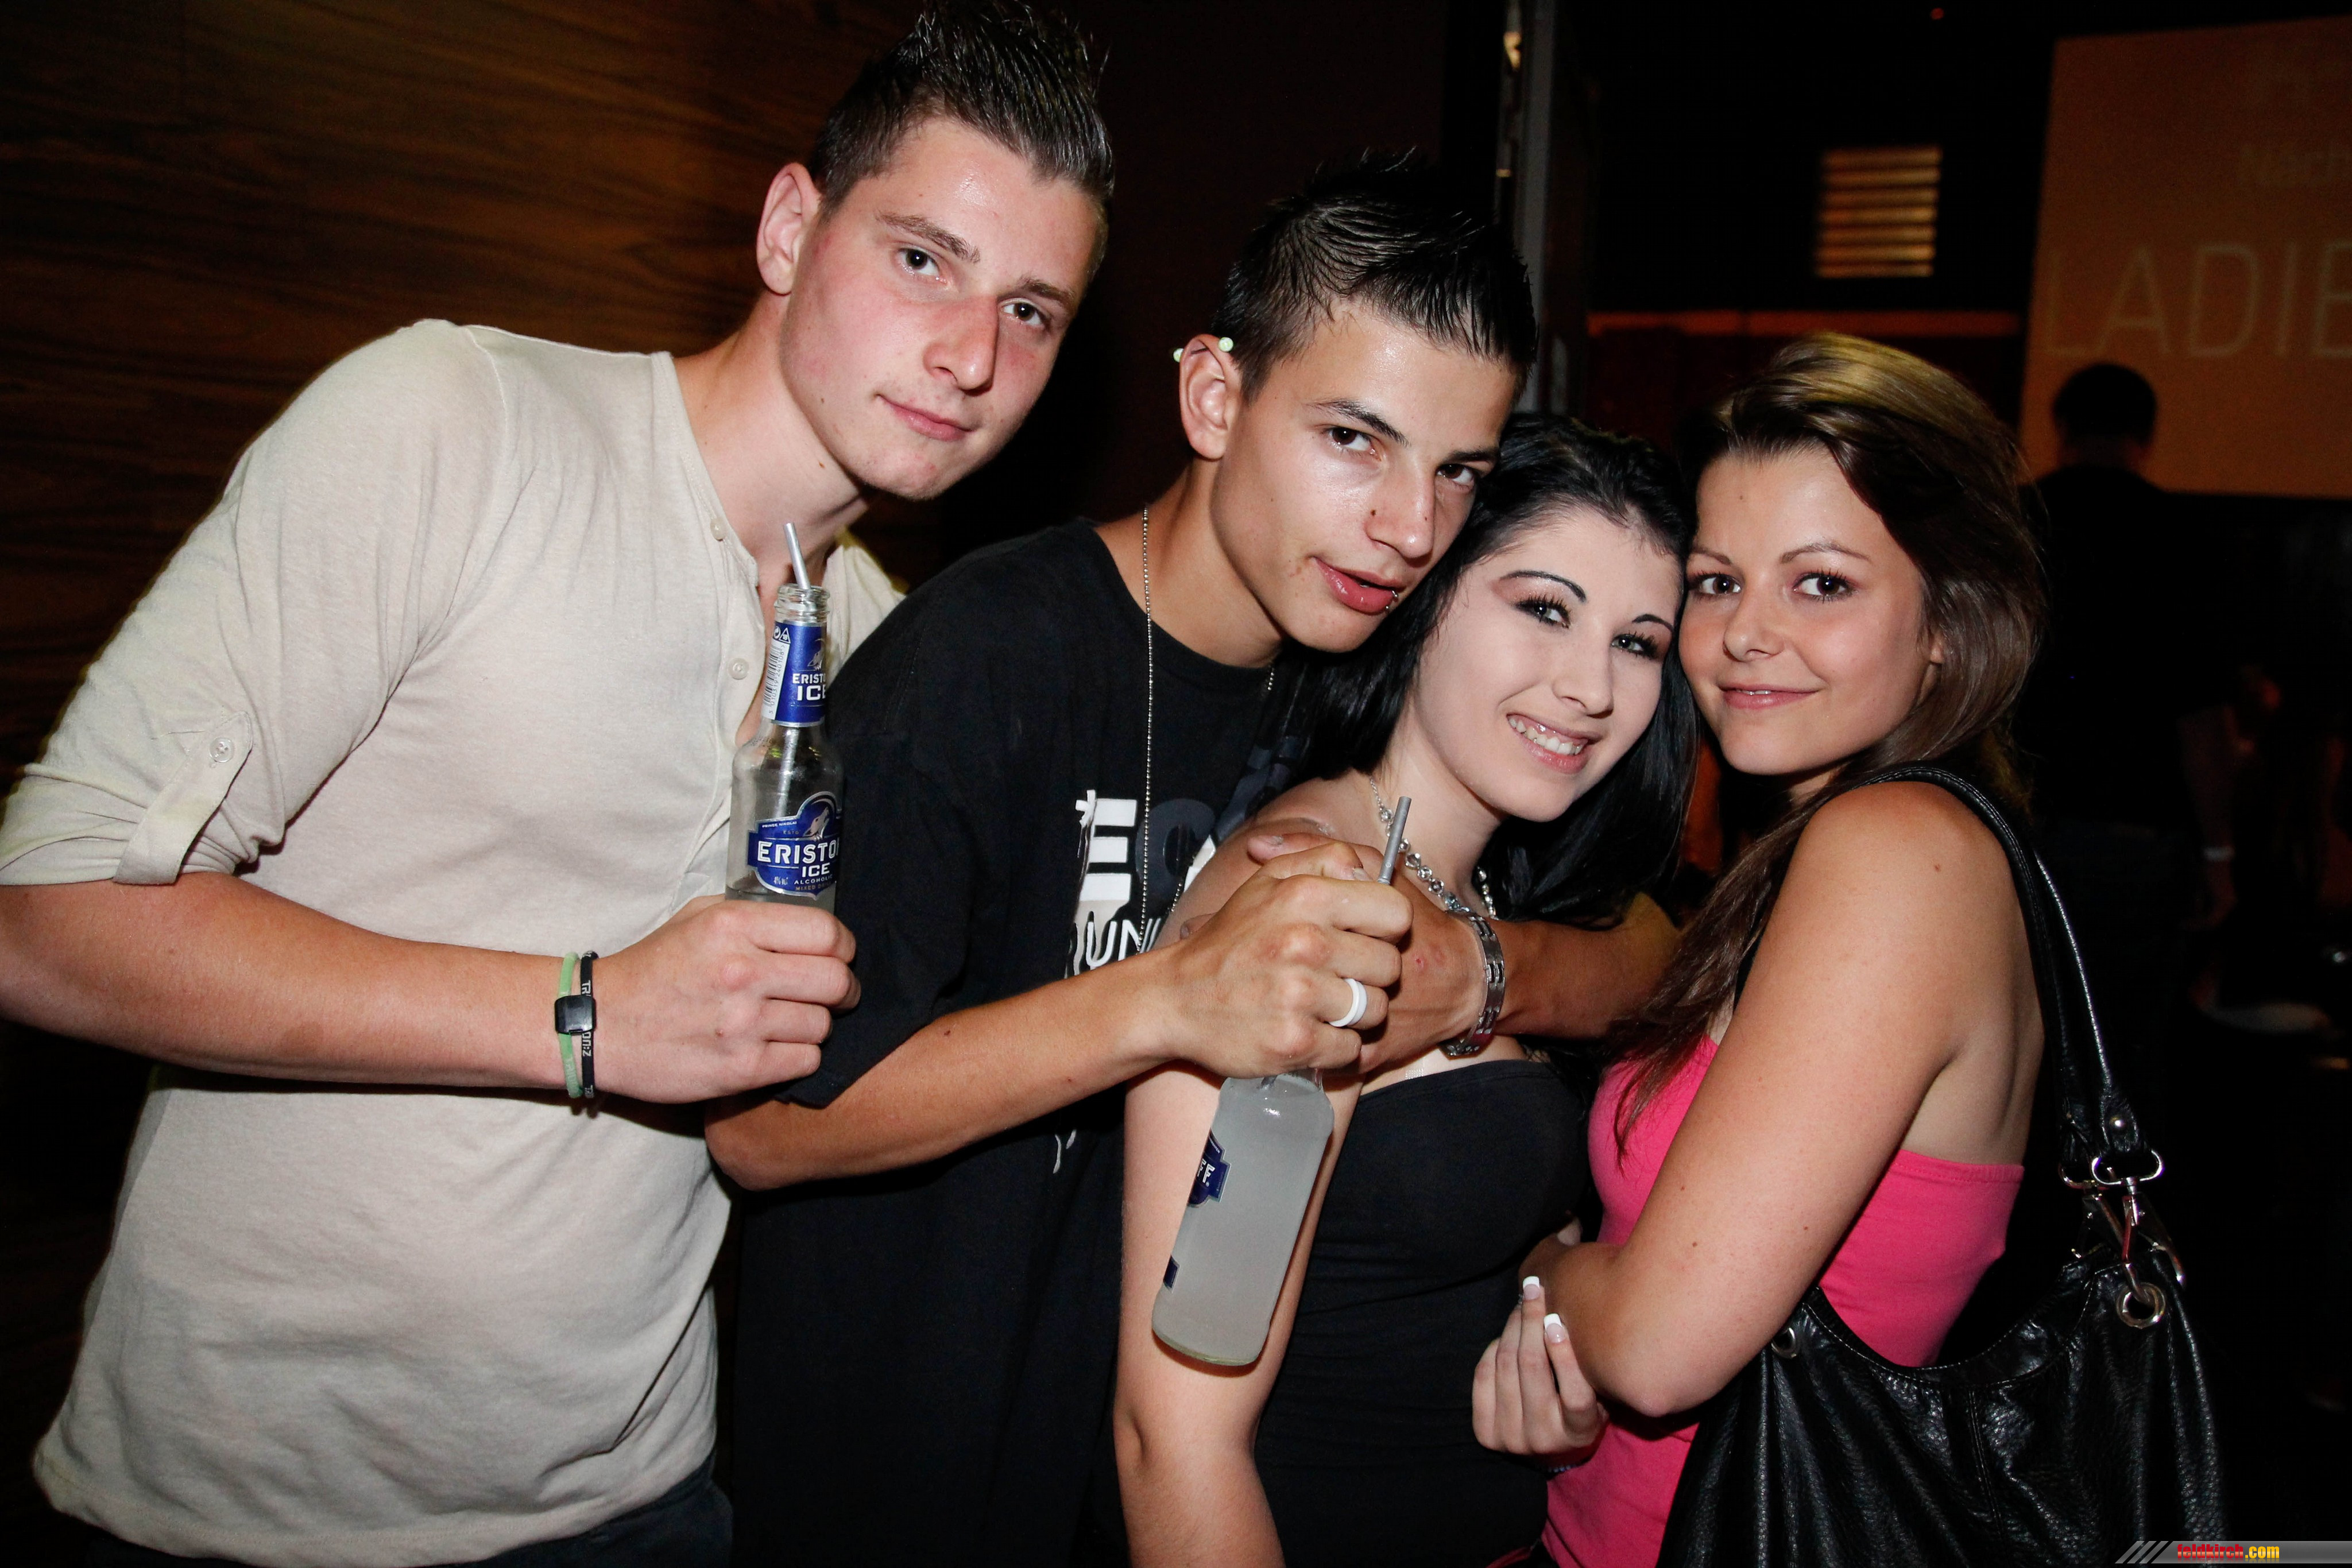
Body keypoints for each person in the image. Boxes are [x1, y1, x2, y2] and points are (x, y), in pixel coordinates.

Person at [0, 6, 1119, 1563]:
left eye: (1032, 311)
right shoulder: (460, 424)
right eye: (923, 259)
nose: (972, 356)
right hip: (245, 1502)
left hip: (640, 1497)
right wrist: (585, 1012)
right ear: (790, 227)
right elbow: (43, 918)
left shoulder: (891, 651)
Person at [707, 164, 1681, 1565]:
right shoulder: (989, 655)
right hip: (898, 1475)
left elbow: (1639, 946)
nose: (1409, 525)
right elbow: (762, 1126)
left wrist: (1476, 976)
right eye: (1352, 439)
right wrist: (1167, 1000)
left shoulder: (1341, 676)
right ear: (1216, 399)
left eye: (1455, 471)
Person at [1473, 335, 2048, 1568]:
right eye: (1719, 581)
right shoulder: (1825, 853)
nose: (1745, 634)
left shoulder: (1894, 853)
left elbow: (1655, 1349)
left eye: (1821, 584)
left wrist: (1536, 1268)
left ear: (1947, 623)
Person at [1115, 415, 1697, 1568]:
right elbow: (1174, 1439)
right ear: (1423, 601)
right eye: (1544, 608)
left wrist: (1547, 1362)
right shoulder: (1306, 900)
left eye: (1637, 643)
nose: (1590, 687)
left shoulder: (1493, 886)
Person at [2016, 362, 2237, 1095]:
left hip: (2012, 822)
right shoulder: (2182, 534)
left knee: (2016, 1044)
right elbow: (2201, 713)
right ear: (2145, 435)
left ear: (2061, 428)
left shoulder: (2013, 522)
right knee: (2120, 1053)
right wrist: (2218, 852)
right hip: (2135, 839)